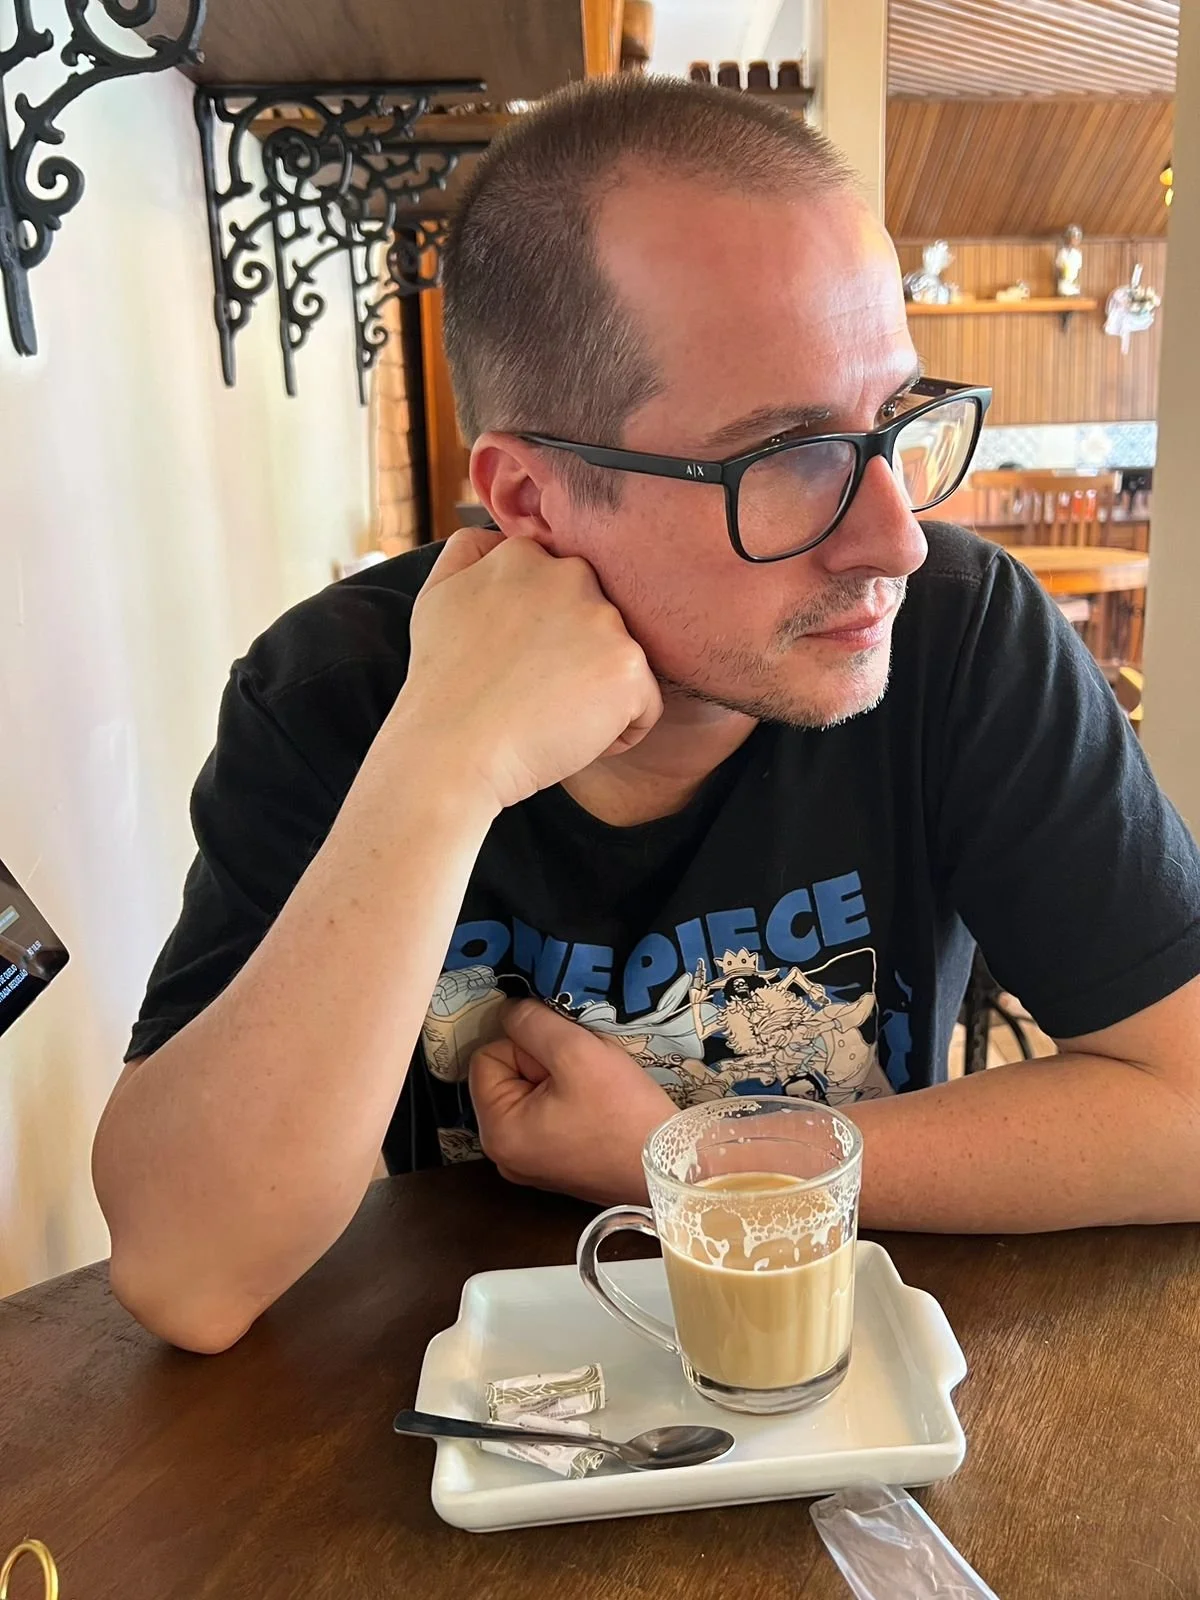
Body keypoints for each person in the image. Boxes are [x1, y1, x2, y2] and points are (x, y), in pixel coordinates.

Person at [93, 77, 1200, 1355]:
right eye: (785, 456)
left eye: (892, 420)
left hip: (841, 1389)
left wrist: (699, 1156)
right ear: (532, 499)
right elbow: (185, 1271)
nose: (896, 536)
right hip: (455, 1425)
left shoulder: (962, 634)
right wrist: (444, 764)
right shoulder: (334, 694)